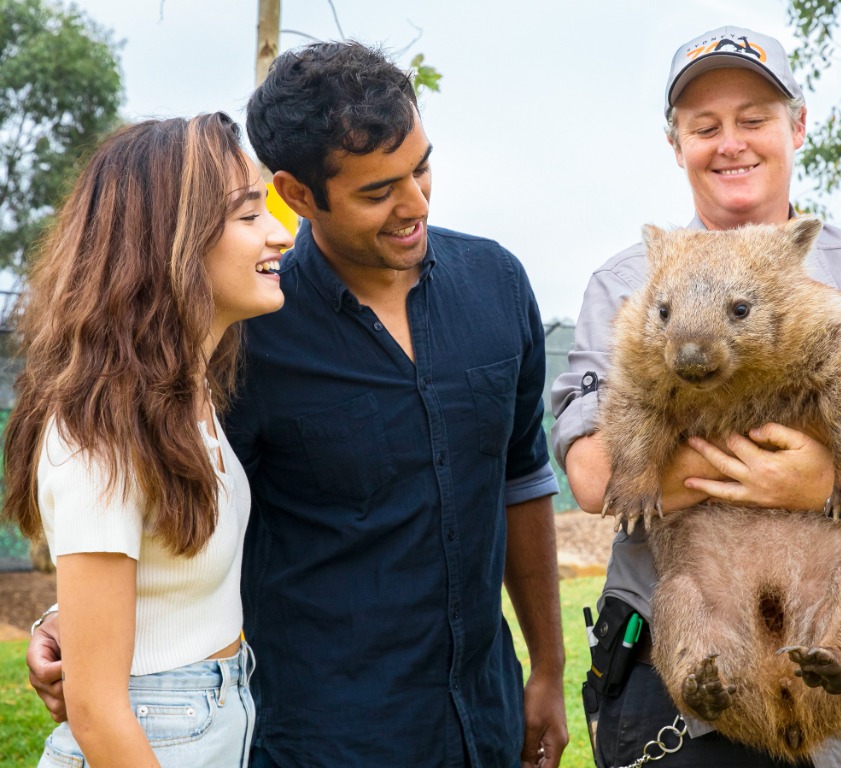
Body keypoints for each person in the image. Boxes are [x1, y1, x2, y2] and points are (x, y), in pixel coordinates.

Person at [27, 41, 569, 768]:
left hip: (485, 717)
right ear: (300, 193)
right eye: (378, 191)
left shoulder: (498, 284)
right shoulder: (244, 339)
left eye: (423, 167)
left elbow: (522, 479)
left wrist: (548, 669)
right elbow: (145, 507)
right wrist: (75, 626)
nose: (416, 204)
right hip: (322, 736)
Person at [551, 25, 841, 768]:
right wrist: (748, 476)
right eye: (704, 126)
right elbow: (594, 473)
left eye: (754, 118)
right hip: (689, 712)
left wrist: (837, 481)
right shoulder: (625, 285)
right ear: (676, 143)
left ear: (797, 125)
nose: (729, 142)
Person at [3, 113, 293, 767]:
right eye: (249, 217)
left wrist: (61, 617)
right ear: (173, 241)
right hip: (150, 735)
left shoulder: (182, 394)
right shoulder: (100, 432)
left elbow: (153, 573)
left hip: (204, 717)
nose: (279, 234)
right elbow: (100, 714)